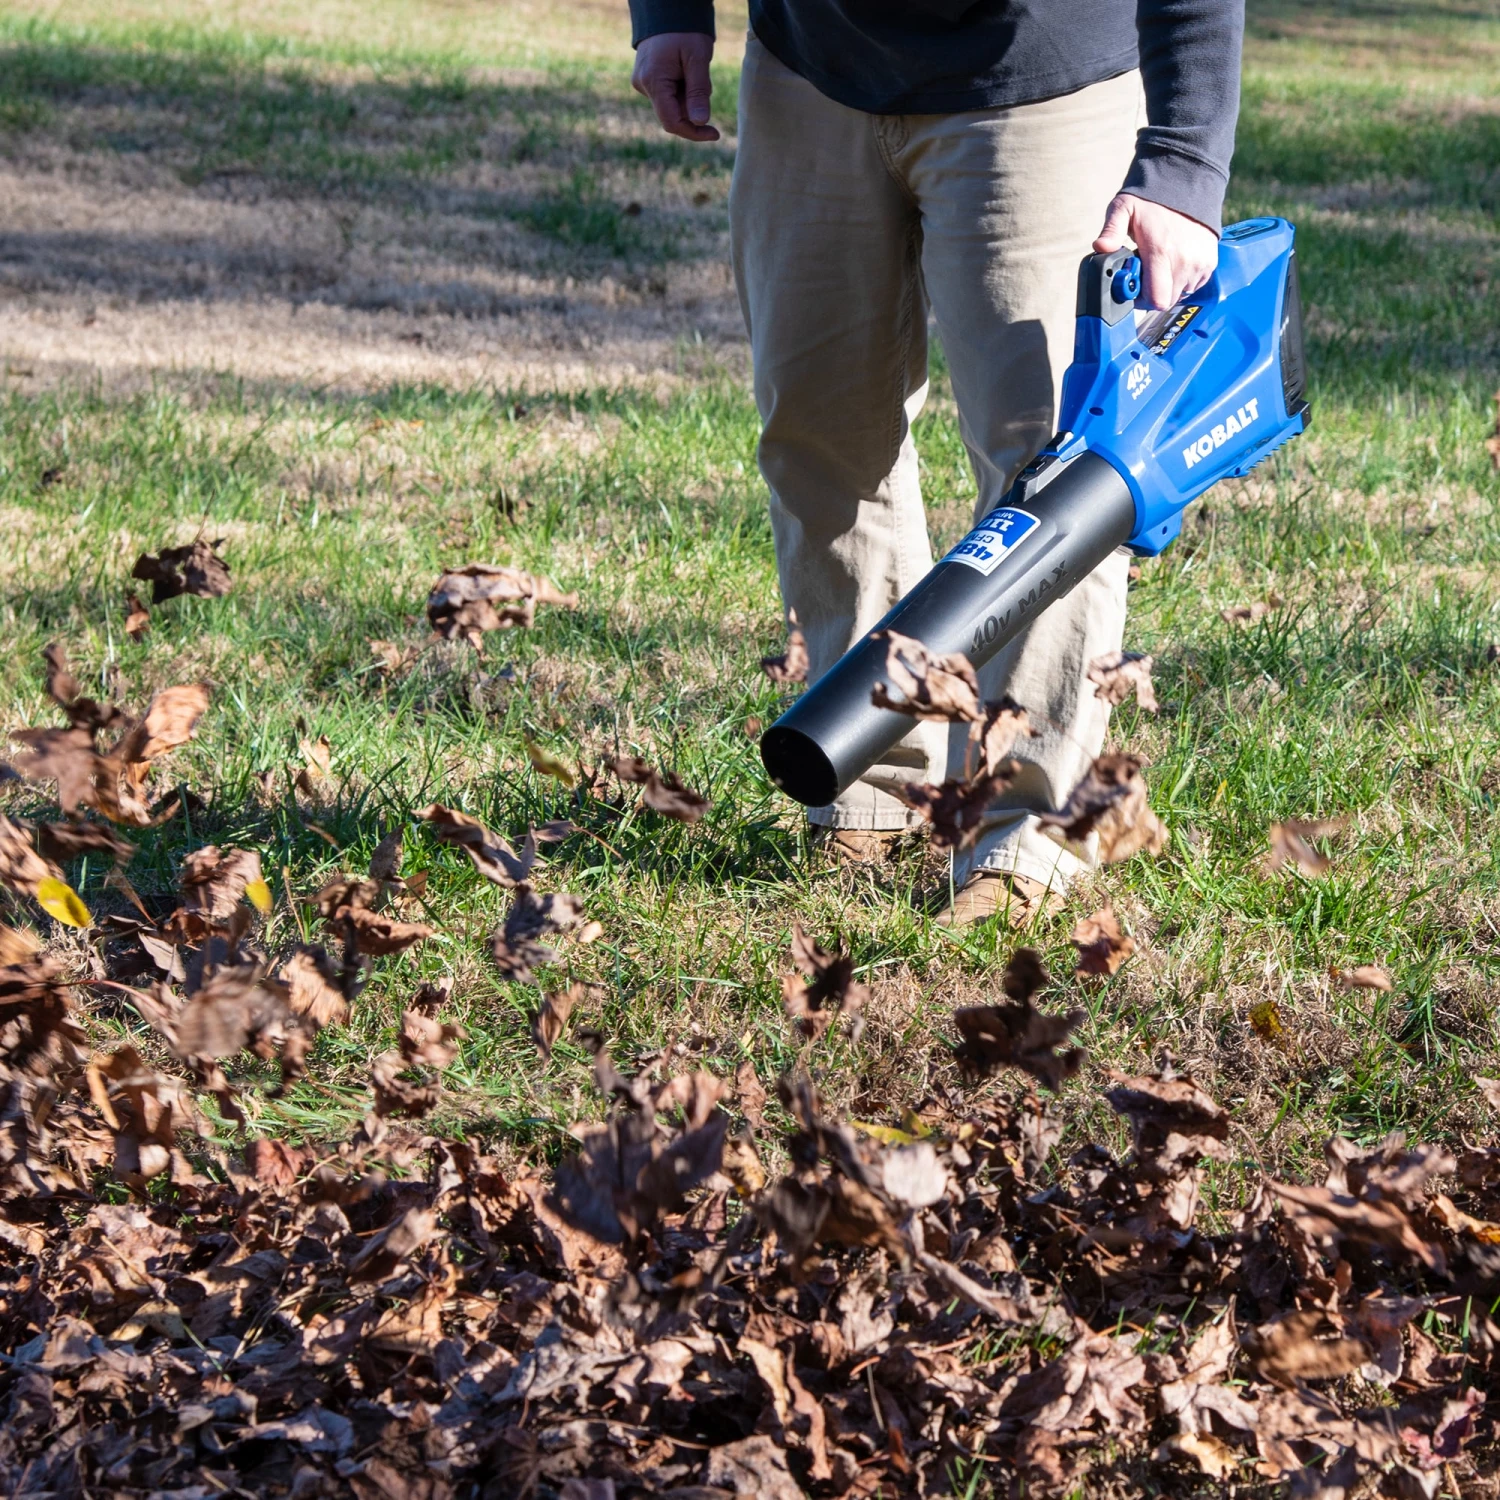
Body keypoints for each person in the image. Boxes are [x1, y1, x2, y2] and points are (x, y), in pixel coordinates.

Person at [628, 1, 1241, 925]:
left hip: (1042, 78)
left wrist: (1186, 160)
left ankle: (1026, 834)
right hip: (809, 68)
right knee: (821, 432)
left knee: (1056, 474)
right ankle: (874, 782)